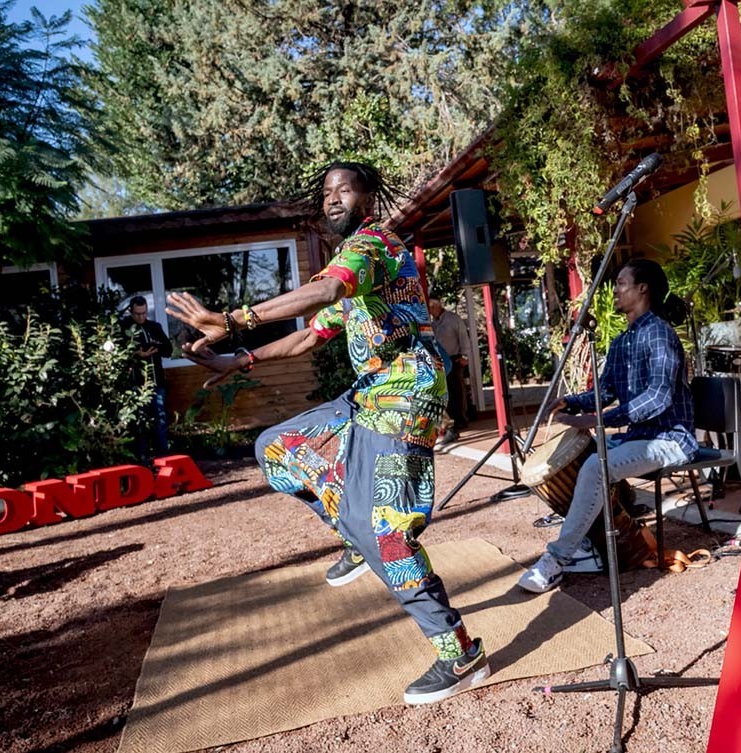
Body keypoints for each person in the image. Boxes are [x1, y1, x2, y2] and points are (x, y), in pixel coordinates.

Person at [164, 162, 489, 705]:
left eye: (345, 189)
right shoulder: (358, 275)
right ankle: (354, 538)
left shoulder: (373, 247)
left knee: (387, 534)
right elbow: (307, 339)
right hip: (370, 395)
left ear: (368, 198)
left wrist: (233, 317)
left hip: (404, 397)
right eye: (326, 193)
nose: (333, 198)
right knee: (276, 448)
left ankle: (460, 654)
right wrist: (237, 359)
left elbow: (324, 291)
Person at [518, 258, 701, 593]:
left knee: (594, 467)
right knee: (577, 462)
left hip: (669, 439)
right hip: (639, 437)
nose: (615, 290)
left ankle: (556, 560)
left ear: (642, 288)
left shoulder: (660, 335)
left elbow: (657, 399)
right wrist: (569, 402)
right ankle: (589, 542)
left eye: (621, 283)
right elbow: (606, 392)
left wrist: (595, 420)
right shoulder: (622, 342)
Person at [119, 295, 172, 460]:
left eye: (144, 313)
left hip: (157, 382)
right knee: (139, 423)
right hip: (136, 384)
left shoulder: (154, 327)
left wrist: (156, 348)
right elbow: (118, 352)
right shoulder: (124, 328)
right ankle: (141, 459)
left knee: (161, 421)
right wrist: (137, 354)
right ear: (131, 312)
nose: (141, 317)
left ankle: (163, 458)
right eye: (137, 314)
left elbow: (169, 350)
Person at [428, 297, 472, 446]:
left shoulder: (453, 319)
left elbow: (463, 338)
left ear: (436, 307)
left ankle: (460, 420)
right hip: (440, 361)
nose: (430, 312)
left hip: (454, 358)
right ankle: (451, 424)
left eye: (431, 308)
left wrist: (465, 356)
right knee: (445, 392)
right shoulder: (432, 323)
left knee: (457, 391)